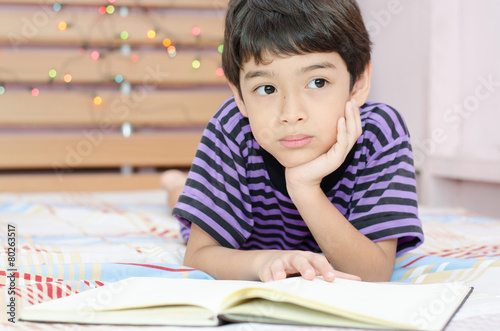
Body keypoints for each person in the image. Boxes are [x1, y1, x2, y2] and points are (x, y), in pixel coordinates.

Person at [163, 0, 424, 283]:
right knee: (183, 197)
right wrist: (265, 260)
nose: (291, 114)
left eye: (318, 82)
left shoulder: (378, 134)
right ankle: (175, 184)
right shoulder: (233, 128)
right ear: (239, 96)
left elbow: (373, 275)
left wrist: (305, 188)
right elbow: (199, 255)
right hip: (238, 221)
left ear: (358, 83)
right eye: (267, 88)